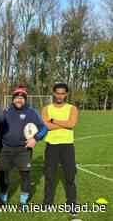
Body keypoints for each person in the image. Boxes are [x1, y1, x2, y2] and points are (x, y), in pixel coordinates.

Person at [0, 86, 48, 205]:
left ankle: (23, 201)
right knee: (3, 174)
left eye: (21, 98)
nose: (19, 100)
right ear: (13, 99)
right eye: (16, 98)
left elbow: (44, 127)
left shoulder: (32, 112)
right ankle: (3, 198)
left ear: (25, 99)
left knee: (24, 174)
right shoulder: (6, 111)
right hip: (6, 148)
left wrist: (35, 139)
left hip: (24, 149)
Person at [42, 83, 79, 215]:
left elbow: (72, 123)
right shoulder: (46, 108)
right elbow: (47, 126)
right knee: (49, 176)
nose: (59, 95)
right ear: (53, 93)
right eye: (57, 93)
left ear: (66, 94)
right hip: (51, 146)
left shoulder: (72, 108)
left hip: (67, 146)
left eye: (62, 93)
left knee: (70, 176)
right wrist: (64, 124)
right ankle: (47, 203)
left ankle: (72, 203)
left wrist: (53, 120)